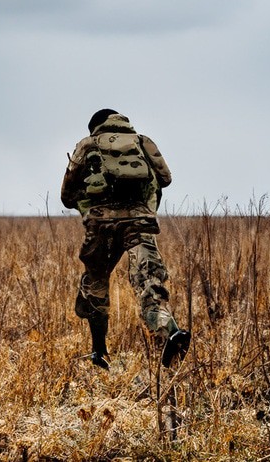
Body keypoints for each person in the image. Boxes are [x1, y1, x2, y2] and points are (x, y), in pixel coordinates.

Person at [61, 109, 190, 371]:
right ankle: (170, 332)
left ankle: (99, 351)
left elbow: (66, 195)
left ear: (94, 127)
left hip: (100, 225)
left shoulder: (87, 145)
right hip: (139, 221)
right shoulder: (143, 141)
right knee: (148, 281)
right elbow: (165, 178)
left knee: (95, 281)